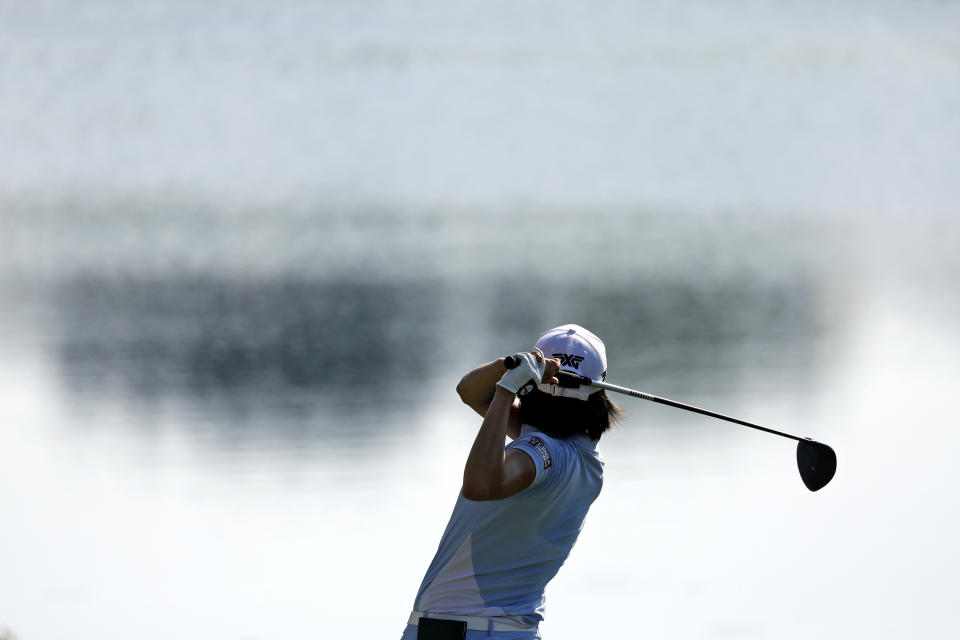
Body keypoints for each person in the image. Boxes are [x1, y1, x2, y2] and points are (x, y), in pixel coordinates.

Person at [401, 324, 623, 640]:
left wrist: (508, 388)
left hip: (465, 632)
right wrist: (507, 365)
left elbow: (481, 486)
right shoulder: (584, 458)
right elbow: (470, 391)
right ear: (600, 391)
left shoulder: (543, 454)